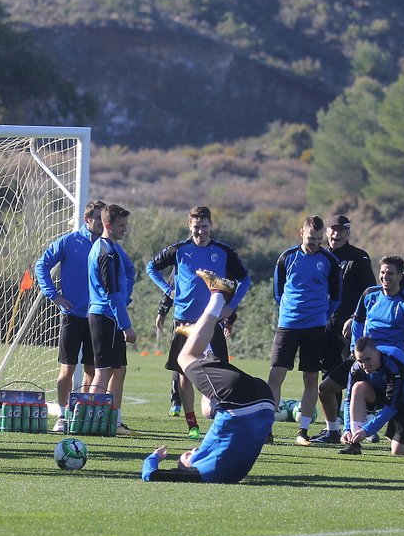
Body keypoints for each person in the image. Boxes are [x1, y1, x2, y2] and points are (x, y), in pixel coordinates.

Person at [142, 270, 273, 483]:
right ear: (187, 468)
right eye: (183, 457)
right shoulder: (202, 472)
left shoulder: (222, 471)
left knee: (207, 407)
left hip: (264, 403)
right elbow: (150, 475)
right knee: (185, 357)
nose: (191, 449)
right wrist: (154, 457)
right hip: (239, 404)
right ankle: (218, 295)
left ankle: (201, 334)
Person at [314, 255, 404, 447]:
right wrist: (355, 350)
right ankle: (335, 430)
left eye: (390, 273)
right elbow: (357, 322)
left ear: (400, 276)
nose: (385, 277)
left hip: (392, 362)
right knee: (325, 389)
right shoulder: (369, 295)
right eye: (382, 272)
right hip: (364, 356)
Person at [147, 206, 251, 440]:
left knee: (220, 370)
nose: (200, 232)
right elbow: (151, 267)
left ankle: (222, 419)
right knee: (184, 372)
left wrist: (230, 308)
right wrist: (168, 290)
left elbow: (244, 279)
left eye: (204, 227)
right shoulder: (179, 250)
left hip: (211, 320)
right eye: (196, 228)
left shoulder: (223, 252)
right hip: (183, 320)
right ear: (189, 226)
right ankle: (191, 425)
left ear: (210, 226)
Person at [267, 216, 341, 444]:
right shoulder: (287, 257)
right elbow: (278, 292)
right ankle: (266, 429)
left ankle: (303, 430)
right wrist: (290, 311)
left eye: (319, 239)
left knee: (311, 378)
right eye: (311, 238)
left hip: (315, 327)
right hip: (288, 324)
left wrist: (322, 315)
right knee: (276, 375)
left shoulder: (329, 260)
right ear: (301, 233)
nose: (315, 243)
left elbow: (336, 296)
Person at [34, 199, 104, 433]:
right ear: (87, 219)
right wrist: (53, 295)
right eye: (98, 219)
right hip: (72, 315)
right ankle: (62, 416)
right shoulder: (69, 241)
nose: (103, 223)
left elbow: (126, 273)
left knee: (92, 370)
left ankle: (82, 413)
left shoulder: (107, 245)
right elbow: (41, 265)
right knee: (67, 368)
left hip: (97, 316)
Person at [314, 214, 375, 440]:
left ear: (348, 233)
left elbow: (369, 294)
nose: (336, 234)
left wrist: (355, 318)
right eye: (333, 230)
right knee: (328, 374)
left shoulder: (358, 258)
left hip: (349, 326)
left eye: (341, 230)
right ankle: (334, 427)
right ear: (327, 232)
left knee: (356, 374)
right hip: (323, 326)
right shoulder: (319, 256)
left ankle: (364, 424)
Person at [88, 203, 136, 434]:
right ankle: (88, 418)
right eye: (121, 226)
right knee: (104, 370)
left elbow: (129, 270)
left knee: (119, 369)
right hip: (105, 317)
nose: (124, 230)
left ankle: (112, 420)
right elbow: (112, 292)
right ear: (108, 225)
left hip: (108, 315)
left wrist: (128, 294)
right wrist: (126, 325)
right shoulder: (106, 252)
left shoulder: (110, 248)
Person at [338, 337, 404, 456]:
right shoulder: (356, 368)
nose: (364, 365)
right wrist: (347, 428)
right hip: (381, 394)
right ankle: (353, 443)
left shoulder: (394, 365)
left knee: (398, 451)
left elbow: (393, 406)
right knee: (358, 387)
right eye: (360, 361)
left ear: (377, 354)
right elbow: (348, 400)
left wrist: (367, 430)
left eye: (368, 359)